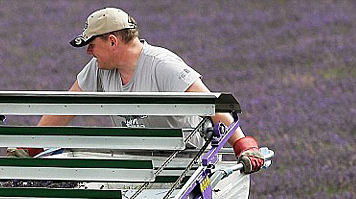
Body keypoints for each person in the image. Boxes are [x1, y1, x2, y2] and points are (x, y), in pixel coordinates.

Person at [18, 7, 265, 173]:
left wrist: (243, 143)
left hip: (184, 167)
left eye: (92, 45)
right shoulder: (99, 69)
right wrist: (32, 145)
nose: (88, 52)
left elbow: (212, 104)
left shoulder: (161, 65)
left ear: (112, 41)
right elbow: (66, 106)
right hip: (137, 167)